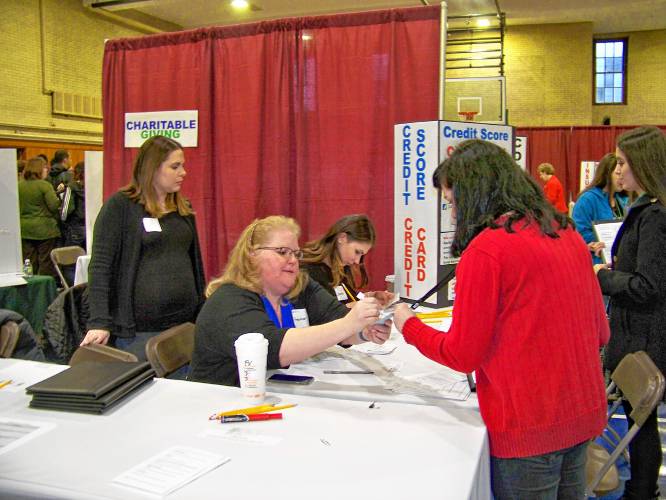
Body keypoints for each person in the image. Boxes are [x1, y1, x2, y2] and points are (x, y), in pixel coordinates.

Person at [393, 140, 609, 499]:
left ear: (473, 195)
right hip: (581, 413)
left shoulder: (488, 250)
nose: (452, 214)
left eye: (452, 202)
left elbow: (463, 355)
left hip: (530, 426)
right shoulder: (565, 231)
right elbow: (601, 331)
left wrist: (408, 324)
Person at [190, 215, 390, 387]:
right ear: (252, 255)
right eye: (282, 252)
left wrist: (365, 331)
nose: (293, 260)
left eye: (295, 253)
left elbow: (337, 319)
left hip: (273, 393)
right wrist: (349, 324)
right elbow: (274, 350)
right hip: (221, 402)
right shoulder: (229, 300)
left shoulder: (299, 286)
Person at [81, 135, 206, 361]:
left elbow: (194, 261)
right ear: (153, 168)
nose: (183, 172)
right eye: (175, 166)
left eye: (183, 166)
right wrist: (99, 322)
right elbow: (100, 267)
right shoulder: (120, 206)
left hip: (183, 324)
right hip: (139, 332)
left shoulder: (182, 207)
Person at [594, 126, 666, 500]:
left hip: (646, 337)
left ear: (643, 165)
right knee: (640, 420)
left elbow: (646, 286)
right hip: (637, 332)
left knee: (641, 423)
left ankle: (641, 491)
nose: (616, 170)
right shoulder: (647, 208)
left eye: (622, 163)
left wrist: (604, 277)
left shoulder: (656, 215)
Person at [300, 214, 375, 304]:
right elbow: (323, 312)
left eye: (362, 255)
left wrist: (368, 297)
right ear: (342, 238)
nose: (357, 261)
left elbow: (349, 295)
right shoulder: (309, 272)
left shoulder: (339, 267)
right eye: (357, 252)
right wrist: (357, 307)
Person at [572, 153, 630, 263]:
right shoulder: (587, 200)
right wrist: (595, 242)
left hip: (618, 260)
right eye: (618, 174)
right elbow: (578, 232)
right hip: (596, 261)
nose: (622, 178)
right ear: (607, 174)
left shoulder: (623, 200)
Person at [18, 157, 61, 277]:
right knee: (46, 263)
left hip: (24, 230)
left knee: (29, 263)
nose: (46, 170)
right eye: (45, 168)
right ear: (39, 170)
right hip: (45, 230)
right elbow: (53, 206)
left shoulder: (19, 186)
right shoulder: (44, 185)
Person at [61, 161, 86, 249]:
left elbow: (66, 211)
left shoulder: (71, 187)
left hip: (76, 227)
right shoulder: (94, 187)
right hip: (91, 226)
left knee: (70, 259)